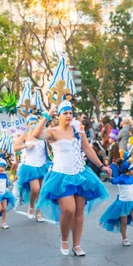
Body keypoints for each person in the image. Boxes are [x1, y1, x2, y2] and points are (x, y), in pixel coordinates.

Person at [32, 101, 111, 256]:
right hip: (61, 175)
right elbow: (35, 134)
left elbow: (87, 149)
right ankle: (65, 239)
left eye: (70, 113)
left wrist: (102, 166)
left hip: (79, 174)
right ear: (59, 115)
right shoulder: (53, 132)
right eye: (65, 113)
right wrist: (46, 115)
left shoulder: (78, 130)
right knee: (69, 209)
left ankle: (77, 245)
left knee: (79, 211)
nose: (69, 116)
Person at [99, 160, 133, 246]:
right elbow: (113, 181)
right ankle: (124, 238)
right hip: (123, 203)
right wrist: (109, 175)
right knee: (123, 222)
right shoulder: (121, 179)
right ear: (127, 171)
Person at [14, 115, 51, 222]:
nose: (33, 124)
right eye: (31, 123)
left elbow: (48, 149)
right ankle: (31, 206)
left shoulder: (43, 135)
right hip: (30, 167)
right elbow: (15, 147)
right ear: (27, 125)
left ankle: (38, 212)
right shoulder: (25, 136)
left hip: (42, 165)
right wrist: (25, 146)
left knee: (41, 190)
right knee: (35, 189)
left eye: (35, 122)